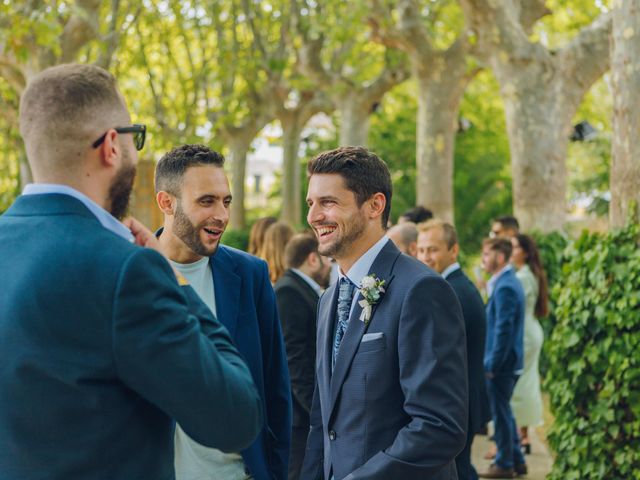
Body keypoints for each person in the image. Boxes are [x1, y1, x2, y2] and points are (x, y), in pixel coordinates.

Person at [0, 64, 262, 479]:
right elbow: (236, 416)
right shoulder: (129, 270)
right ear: (111, 146)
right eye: (134, 137)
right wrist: (171, 278)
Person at [301, 146, 468, 480]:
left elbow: (438, 426)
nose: (314, 216)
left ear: (375, 205)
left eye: (328, 202)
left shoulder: (420, 289)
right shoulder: (328, 299)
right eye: (311, 204)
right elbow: (323, 422)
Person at [155, 144, 291, 480]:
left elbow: (275, 389)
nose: (222, 215)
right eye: (207, 201)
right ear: (166, 203)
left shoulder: (251, 275)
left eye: (226, 201)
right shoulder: (126, 272)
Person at [417, 219, 491, 480]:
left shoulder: (450, 291)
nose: (426, 257)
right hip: (465, 395)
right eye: (422, 250)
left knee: (458, 471)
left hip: (460, 400)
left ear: (454, 251)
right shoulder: (455, 284)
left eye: (433, 250)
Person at [274, 233, 332, 480]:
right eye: (326, 259)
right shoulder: (289, 292)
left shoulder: (301, 289)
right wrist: (316, 413)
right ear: (312, 258)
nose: (330, 264)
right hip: (300, 418)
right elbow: (294, 359)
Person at [479, 238, 527, 479]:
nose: (483, 259)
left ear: (500, 256)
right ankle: (517, 460)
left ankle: (504, 464)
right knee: (505, 411)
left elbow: (503, 331)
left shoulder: (506, 286)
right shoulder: (504, 282)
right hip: (507, 363)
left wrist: (492, 365)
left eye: (487, 254)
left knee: (500, 414)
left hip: (502, 365)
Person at [510, 234, 547, 454]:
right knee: (527, 382)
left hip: (523, 333)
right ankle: (523, 434)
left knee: (520, 386)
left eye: (514, 247)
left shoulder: (522, 277)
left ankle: (519, 436)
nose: (511, 251)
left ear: (524, 251)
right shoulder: (531, 274)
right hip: (531, 329)